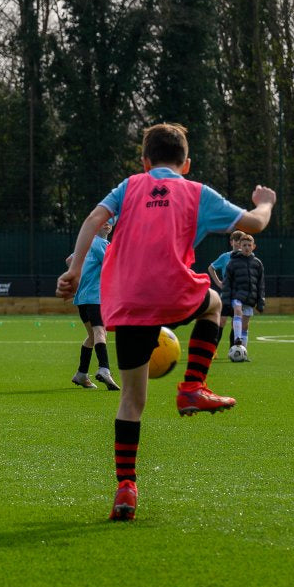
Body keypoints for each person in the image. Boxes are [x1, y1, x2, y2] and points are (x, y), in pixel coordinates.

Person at [56, 123, 276, 521]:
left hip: (126, 302)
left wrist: (73, 270)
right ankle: (193, 386)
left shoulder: (129, 186)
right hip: (173, 291)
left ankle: (126, 488)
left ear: (144, 161)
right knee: (213, 303)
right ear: (186, 163)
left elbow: (92, 219)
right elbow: (255, 224)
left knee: (131, 401)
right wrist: (265, 201)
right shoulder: (196, 192)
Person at [67, 220, 120, 391]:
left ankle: (81, 374)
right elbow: (113, 265)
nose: (107, 224)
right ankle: (104, 369)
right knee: (100, 332)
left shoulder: (88, 244)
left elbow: (70, 260)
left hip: (82, 299)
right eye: (103, 222)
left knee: (92, 336)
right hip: (94, 297)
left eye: (110, 222)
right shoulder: (100, 244)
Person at [221, 233, 264, 360]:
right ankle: (237, 339)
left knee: (245, 325)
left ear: (253, 247)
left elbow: (261, 284)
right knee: (237, 311)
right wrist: (226, 299)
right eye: (244, 245)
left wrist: (260, 301)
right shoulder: (233, 262)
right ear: (239, 246)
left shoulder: (257, 263)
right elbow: (227, 282)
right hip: (237, 295)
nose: (246, 247)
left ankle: (243, 353)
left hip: (250, 298)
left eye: (249, 245)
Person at [208, 230, 245, 347]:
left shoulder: (245, 258)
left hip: (239, 295)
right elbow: (211, 268)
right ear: (231, 242)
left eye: (240, 241)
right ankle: (213, 349)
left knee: (236, 323)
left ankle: (233, 349)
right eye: (236, 241)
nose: (238, 243)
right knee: (222, 321)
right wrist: (218, 282)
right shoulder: (225, 257)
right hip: (226, 295)